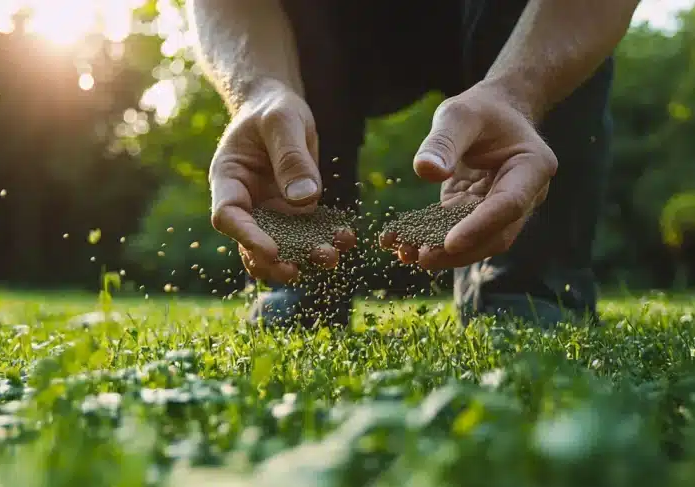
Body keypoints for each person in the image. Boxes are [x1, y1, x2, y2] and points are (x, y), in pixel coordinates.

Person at [187, 0, 641, 329]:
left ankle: (526, 281)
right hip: (327, 21)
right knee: (292, 93)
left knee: (522, 304)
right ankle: (305, 269)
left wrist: (521, 93)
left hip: (511, 18)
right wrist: (259, 91)